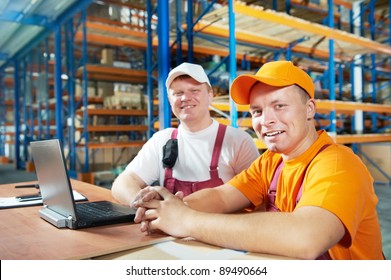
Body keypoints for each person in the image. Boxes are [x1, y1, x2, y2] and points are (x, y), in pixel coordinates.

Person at [132, 60, 384, 260]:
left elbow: (306, 239)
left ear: (309, 109)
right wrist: (170, 207)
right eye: (258, 111)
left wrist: (187, 221)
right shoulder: (271, 162)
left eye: (279, 106)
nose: (266, 120)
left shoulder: (338, 165)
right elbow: (222, 196)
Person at [112, 62, 260, 205]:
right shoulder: (162, 140)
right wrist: (140, 203)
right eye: (178, 93)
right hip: (170, 228)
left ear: (210, 95)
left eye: (194, 90)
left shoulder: (237, 140)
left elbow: (255, 196)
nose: (185, 98)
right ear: (170, 100)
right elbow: (124, 182)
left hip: (220, 229)